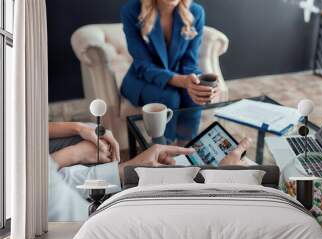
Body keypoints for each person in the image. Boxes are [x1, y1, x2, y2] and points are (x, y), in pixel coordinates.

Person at [48, 122, 250, 221]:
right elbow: (101, 231)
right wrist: (218, 184)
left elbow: (59, 180)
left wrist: (126, 170)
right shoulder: (47, 205)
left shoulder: (45, 181)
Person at [120, 0, 220, 141]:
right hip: (141, 79)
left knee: (193, 97)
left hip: (179, 75)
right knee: (170, 98)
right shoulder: (131, 10)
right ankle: (162, 150)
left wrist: (202, 85)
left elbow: (190, 62)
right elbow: (143, 65)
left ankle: (187, 149)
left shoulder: (196, 12)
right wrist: (183, 81)